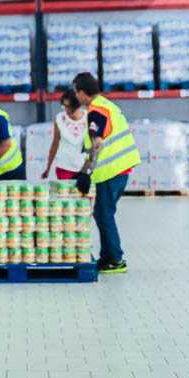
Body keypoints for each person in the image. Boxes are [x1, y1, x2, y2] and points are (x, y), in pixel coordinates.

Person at [73, 72, 141, 275]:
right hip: (118, 169)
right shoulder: (106, 105)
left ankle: (116, 259)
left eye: (77, 92)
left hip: (113, 171)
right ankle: (108, 257)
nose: (76, 97)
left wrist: (87, 172)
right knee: (103, 213)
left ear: (83, 93)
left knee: (104, 214)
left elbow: (97, 143)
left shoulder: (97, 110)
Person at [42, 88, 88, 180]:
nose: (66, 110)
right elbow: (55, 144)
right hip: (64, 167)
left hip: (85, 167)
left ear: (77, 105)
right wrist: (48, 168)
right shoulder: (59, 118)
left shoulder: (89, 117)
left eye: (69, 107)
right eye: (64, 106)